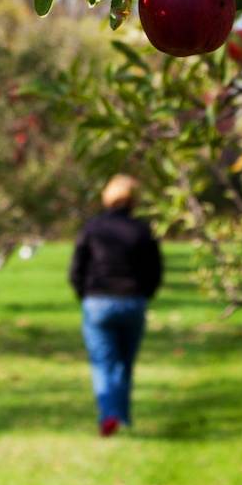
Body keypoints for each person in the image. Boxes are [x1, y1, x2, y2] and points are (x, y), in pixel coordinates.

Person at [68, 174, 163, 436]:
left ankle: (109, 414)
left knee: (103, 362)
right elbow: (155, 270)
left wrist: (84, 294)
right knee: (124, 363)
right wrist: (146, 294)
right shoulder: (142, 230)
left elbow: (77, 268)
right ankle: (121, 415)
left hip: (98, 302)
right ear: (134, 199)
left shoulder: (92, 228)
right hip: (132, 301)